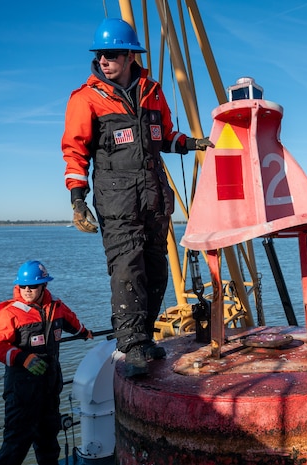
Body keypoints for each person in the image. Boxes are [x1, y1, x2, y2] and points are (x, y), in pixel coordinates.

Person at [61, 18, 213, 377]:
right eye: (100, 55)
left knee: (156, 269)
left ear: (130, 56)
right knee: (127, 270)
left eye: (111, 55)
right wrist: (77, 199)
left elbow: (163, 136)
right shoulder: (87, 98)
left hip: (154, 198)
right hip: (117, 202)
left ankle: (144, 338)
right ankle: (130, 347)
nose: (103, 61)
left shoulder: (153, 91)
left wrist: (190, 144)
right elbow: (75, 150)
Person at [0, 260, 93, 465]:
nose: (27, 290)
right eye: (23, 286)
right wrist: (22, 357)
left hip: (49, 387)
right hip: (21, 391)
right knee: (15, 444)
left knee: (48, 441)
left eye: (33, 286)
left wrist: (84, 333)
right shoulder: (9, 313)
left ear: (44, 285)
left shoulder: (56, 307)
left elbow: (71, 322)